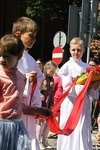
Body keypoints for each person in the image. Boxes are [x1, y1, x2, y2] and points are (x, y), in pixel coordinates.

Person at [0, 34, 51, 150]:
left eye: (6, 56)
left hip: (17, 126)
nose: (2, 59)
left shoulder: (21, 78)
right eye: (0, 55)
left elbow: (17, 106)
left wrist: (36, 109)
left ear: (19, 56)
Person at [57, 37, 100, 150]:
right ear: (70, 50)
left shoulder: (87, 67)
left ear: (83, 50)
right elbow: (68, 89)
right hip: (71, 105)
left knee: (82, 129)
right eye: (73, 50)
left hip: (84, 104)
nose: (76, 53)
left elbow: (92, 92)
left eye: (78, 50)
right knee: (72, 129)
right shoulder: (67, 67)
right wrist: (88, 86)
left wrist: (96, 86)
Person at [12, 16, 45, 150]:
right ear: (18, 34)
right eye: (30, 36)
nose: (34, 40)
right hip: (13, 107)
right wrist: (26, 78)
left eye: (35, 37)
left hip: (28, 106)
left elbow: (39, 82)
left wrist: (36, 104)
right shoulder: (8, 55)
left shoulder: (29, 59)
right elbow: (6, 77)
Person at [36, 61, 57, 149]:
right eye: (51, 71)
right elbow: (36, 87)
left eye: (54, 71)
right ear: (46, 69)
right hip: (42, 102)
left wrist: (52, 102)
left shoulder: (51, 79)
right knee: (41, 122)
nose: (53, 73)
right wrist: (39, 95)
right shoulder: (41, 77)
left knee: (48, 122)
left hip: (49, 102)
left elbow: (52, 92)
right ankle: (38, 141)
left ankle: (44, 140)